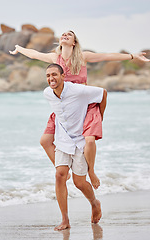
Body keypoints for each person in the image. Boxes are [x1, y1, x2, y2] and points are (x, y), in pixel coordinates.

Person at [10, 30, 150, 189]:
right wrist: (19, 48)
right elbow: (34, 54)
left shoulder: (83, 57)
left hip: (85, 105)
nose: (65, 35)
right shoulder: (54, 58)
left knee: (89, 141)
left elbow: (106, 56)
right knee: (44, 141)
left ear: (74, 42)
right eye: (63, 34)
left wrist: (132, 56)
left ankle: (91, 172)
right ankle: (62, 169)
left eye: (69, 35)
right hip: (64, 107)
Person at [44, 63, 107, 230]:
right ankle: (65, 220)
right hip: (63, 138)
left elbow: (103, 93)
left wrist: (98, 120)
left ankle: (94, 203)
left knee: (79, 182)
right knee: (60, 175)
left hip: (80, 139)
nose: (51, 78)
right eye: (48, 75)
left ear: (63, 76)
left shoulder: (78, 90)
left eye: (54, 75)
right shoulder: (47, 93)